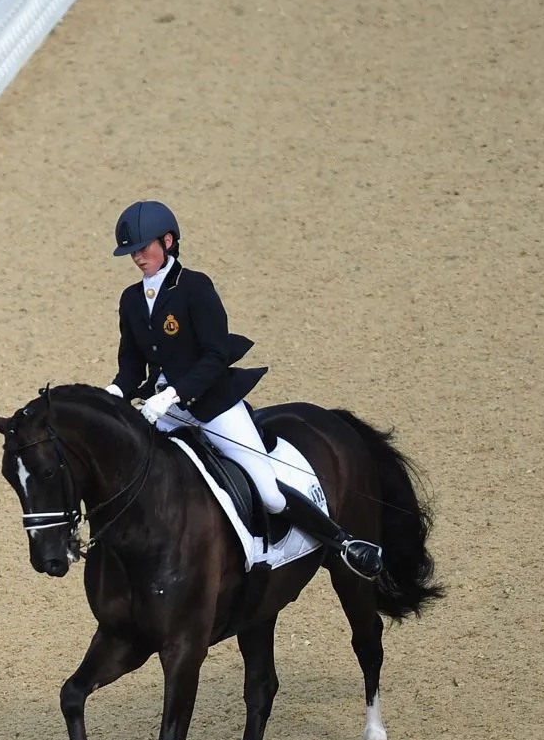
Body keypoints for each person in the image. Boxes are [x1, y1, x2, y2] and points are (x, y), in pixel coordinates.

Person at [106, 200, 383, 579]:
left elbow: (215, 354)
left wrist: (173, 394)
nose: (138, 258)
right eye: (132, 252)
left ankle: (343, 542)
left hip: (211, 403)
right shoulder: (131, 300)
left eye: (144, 248)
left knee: (267, 490)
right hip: (162, 410)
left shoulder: (194, 287)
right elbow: (132, 364)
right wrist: (114, 393)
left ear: (168, 241)